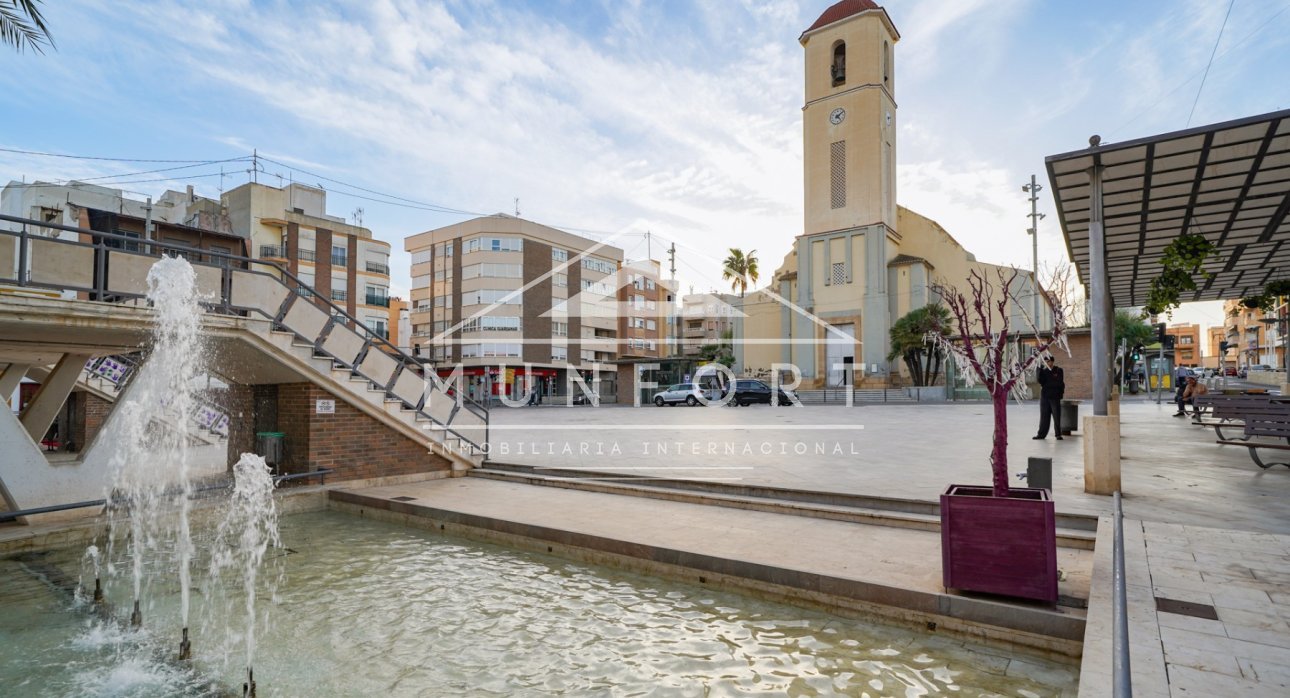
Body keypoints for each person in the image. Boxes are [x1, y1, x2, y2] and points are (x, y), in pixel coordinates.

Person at [1034, 355, 1065, 441]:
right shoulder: (1044, 371)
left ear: (1052, 361)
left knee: (1056, 417)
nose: (1047, 363)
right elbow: (1039, 380)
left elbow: (1059, 383)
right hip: (1045, 397)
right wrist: (1039, 367)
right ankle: (1041, 435)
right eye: (1045, 362)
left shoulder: (1058, 370)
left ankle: (1058, 434)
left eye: (1048, 361)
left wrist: (1048, 385)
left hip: (1055, 397)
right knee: (1044, 417)